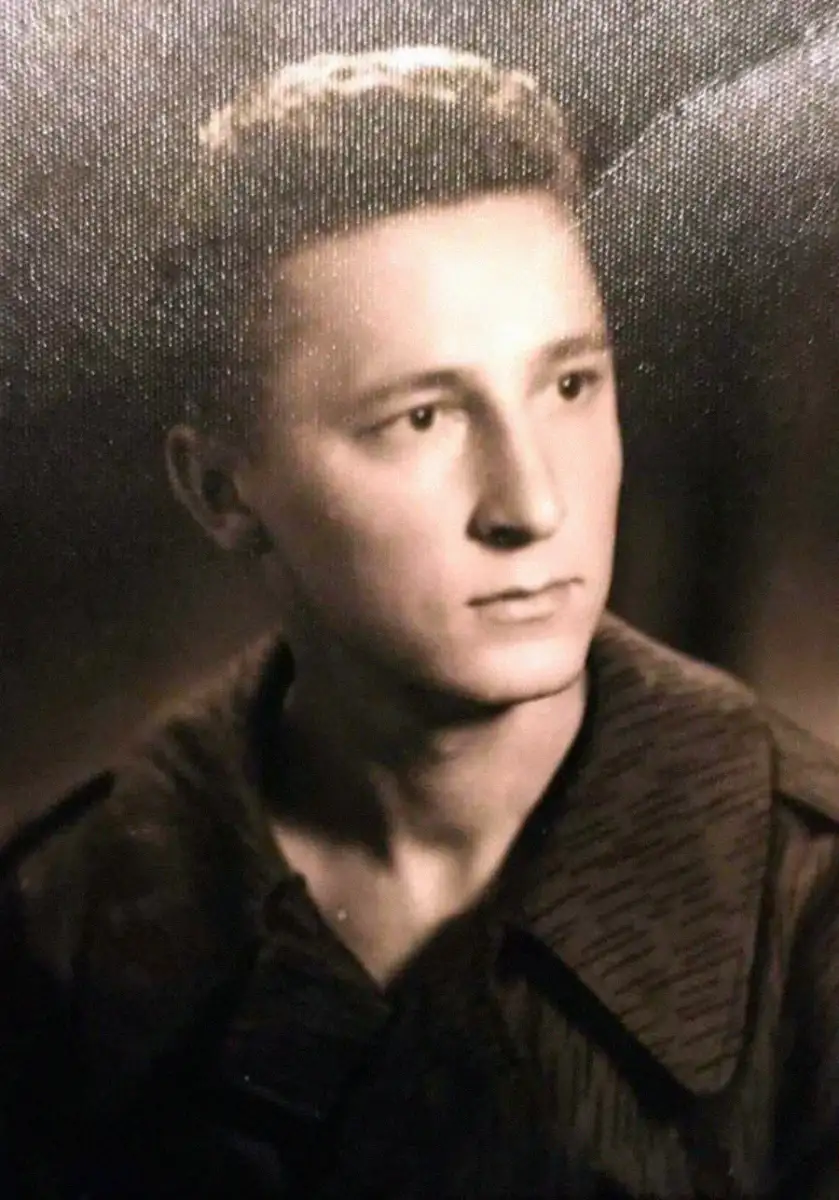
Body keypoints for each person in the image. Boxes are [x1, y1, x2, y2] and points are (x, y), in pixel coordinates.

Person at [1, 45, 837, 1200]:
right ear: (219, 492)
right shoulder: (56, 929)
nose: (531, 505)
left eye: (568, 386)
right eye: (422, 417)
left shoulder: (810, 918)